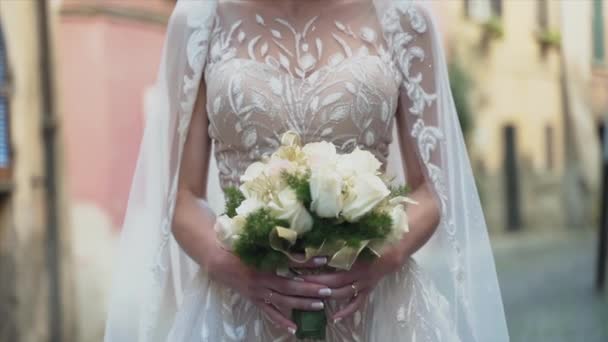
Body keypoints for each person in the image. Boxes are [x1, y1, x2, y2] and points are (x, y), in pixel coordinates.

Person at [104, 1, 509, 341]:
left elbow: (433, 189)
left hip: (375, 308)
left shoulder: (404, 19)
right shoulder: (198, 21)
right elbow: (181, 195)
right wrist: (231, 264)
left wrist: (382, 256)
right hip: (242, 309)